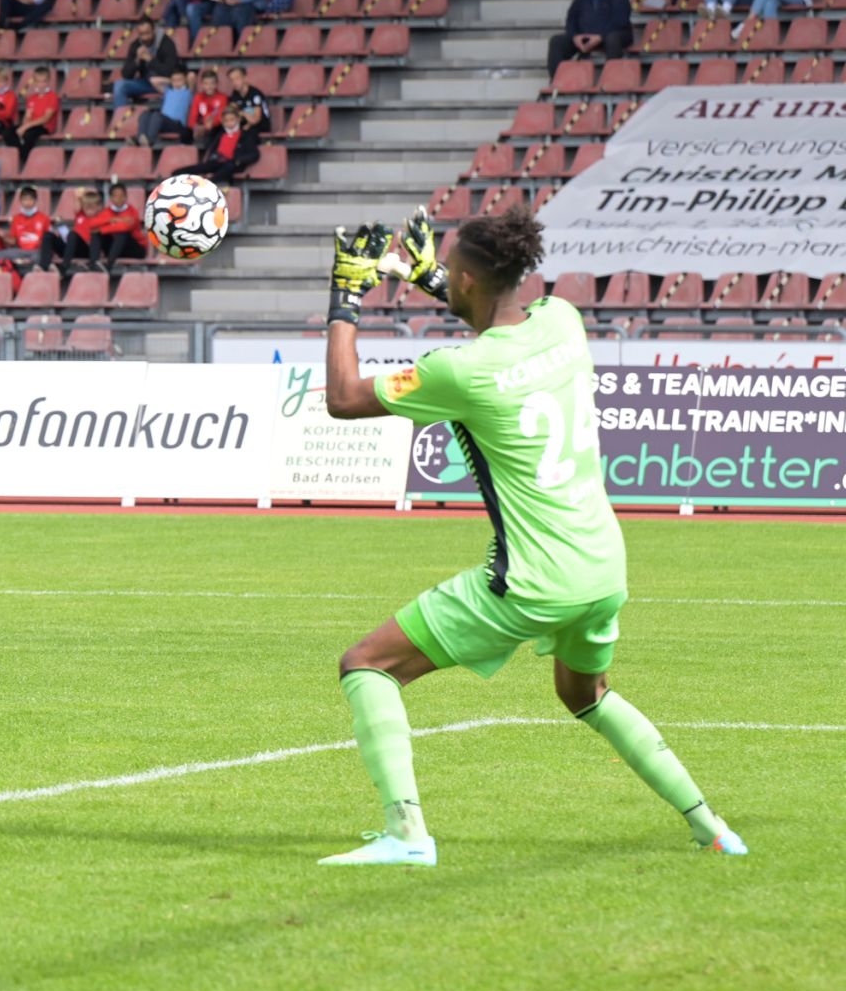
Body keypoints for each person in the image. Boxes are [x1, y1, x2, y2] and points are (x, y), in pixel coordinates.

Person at [314, 207, 747, 866]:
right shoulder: (563, 320)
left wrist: (345, 296)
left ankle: (407, 836)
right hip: (602, 566)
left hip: (532, 580)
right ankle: (711, 827)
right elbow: (498, 321)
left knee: (367, 664)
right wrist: (433, 277)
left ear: (466, 279)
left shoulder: (457, 371)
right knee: (585, 695)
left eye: (449, 272)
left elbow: (344, 397)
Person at [546, 0, 632, 79]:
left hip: (611, 34)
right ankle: (557, 81)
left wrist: (600, 36)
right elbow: (571, 18)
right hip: (586, 36)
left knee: (612, 39)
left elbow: (621, 19)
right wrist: (575, 36)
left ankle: (612, 79)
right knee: (556, 41)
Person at [110, 16, 180, 108]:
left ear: (154, 30)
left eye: (147, 33)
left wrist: (150, 60)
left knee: (172, 91)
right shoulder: (136, 45)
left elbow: (170, 72)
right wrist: (137, 60)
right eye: (142, 34)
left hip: (165, 83)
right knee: (120, 85)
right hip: (146, 83)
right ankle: (120, 116)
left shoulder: (166, 43)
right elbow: (126, 74)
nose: (145, 37)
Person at [176, 110, 259, 183]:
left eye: (232, 119)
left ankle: (209, 184)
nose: (229, 123)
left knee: (228, 167)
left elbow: (254, 154)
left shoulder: (246, 135)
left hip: (233, 164)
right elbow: (211, 145)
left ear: (238, 119)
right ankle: (176, 176)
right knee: (195, 169)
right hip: (217, 161)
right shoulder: (220, 134)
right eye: (226, 121)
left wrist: (238, 160)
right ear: (223, 122)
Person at [38, 187, 104, 275]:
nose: (89, 211)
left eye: (92, 208)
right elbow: (77, 205)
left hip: (85, 250)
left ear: (99, 207)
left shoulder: (101, 218)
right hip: (70, 248)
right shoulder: (80, 214)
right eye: (86, 208)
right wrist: (78, 196)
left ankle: (64, 267)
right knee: (48, 236)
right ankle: (44, 266)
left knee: (73, 234)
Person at [89, 182, 148, 271]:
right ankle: (93, 264)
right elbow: (92, 224)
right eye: (115, 196)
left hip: (135, 249)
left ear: (126, 197)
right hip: (116, 249)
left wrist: (102, 229)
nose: (119, 199)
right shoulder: (107, 211)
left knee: (121, 234)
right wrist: (111, 220)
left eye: (122, 196)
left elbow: (124, 227)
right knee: (96, 234)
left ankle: (108, 266)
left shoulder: (132, 211)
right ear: (111, 198)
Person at [134, 68, 196, 146]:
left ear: (185, 80)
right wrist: (170, 81)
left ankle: (149, 141)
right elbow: (153, 80)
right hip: (163, 122)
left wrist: (182, 80)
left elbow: (192, 76)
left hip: (177, 124)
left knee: (157, 115)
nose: (177, 82)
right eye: (174, 80)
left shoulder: (188, 92)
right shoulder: (168, 91)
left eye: (179, 80)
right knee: (145, 114)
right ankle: (140, 138)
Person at [0, 185, 50, 272]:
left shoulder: (44, 218)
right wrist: (2, 236)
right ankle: (20, 263)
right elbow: (13, 241)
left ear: (35, 201)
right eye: (25, 200)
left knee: (39, 257)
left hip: (36, 251)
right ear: (20, 201)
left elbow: (48, 240)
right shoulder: (16, 218)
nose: (27, 203)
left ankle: (25, 263)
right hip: (20, 251)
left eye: (30, 200)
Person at [15, 66, 59, 162]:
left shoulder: (52, 97)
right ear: (34, 82)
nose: (41, 85)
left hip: (45, 127)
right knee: (9, 132)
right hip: (32, 125)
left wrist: (25, 127)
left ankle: (24, 159)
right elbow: (27, 116)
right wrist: (24, 124)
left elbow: (46, 118)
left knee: (29, 134)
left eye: (44, 82)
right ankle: (16, 156)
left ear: (48, 81)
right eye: (38, 82)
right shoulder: (32, 98)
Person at [225, 64, 271, 135]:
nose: (234, 82)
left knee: (247, 133)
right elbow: (231, 113)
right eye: (232, 80)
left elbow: (256, 119)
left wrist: (242, 113)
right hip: (245, 126)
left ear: (245, 78)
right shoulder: (234, 95)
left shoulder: (255, 94)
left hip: (260, 126)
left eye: (237, 78)